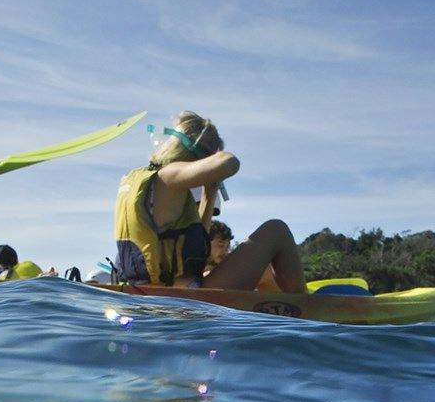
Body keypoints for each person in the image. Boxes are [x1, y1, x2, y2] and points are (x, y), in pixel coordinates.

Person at [112, 112, 304, 293]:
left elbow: (196, 247)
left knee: (264, 273)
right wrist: (215, 159)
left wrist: (209, 194)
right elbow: (230, 163)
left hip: (155, 289)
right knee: (276, 230)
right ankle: (304, 307)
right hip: (179, 295)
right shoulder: (168, 175)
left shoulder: (139, 180)